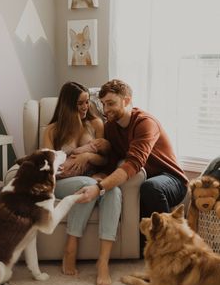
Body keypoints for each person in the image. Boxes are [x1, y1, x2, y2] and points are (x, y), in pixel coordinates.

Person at [77, 79, 188, 253]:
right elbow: (112, 162)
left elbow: (133, 164)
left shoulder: (145, 123)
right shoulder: (111, 127)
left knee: (150, 188)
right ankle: (147, 252)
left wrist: (98, 188)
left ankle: (171, 249)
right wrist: (96, 178)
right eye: (103, 104)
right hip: (144, 182)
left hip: (171, 180)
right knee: (144, 189)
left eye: (111, 103)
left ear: (127, 100)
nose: (105, 110)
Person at [43, 81, 121, 285]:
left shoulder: (95, 124)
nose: (86, 107)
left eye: (87, 102)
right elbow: (47, 164)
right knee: (89, 184)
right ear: (67, 105)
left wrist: (87, 156)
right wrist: (68, 160)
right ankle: (71, 245)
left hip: (92, 177)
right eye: (80, 103)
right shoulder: (52, 130)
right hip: (62, 181)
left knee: (113, 190)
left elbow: (105, 160)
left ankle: (103, 261)